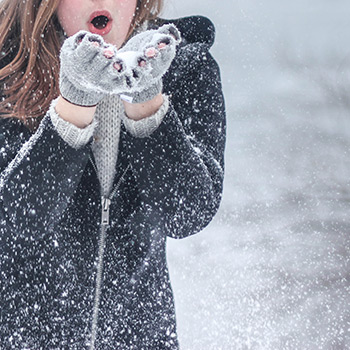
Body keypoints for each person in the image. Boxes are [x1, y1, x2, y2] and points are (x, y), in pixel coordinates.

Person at [0, 0, 226, 348]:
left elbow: (188, 213)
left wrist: (146, 102)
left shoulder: (184, 68)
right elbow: (16, 218)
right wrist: (74, 103)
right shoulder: (9, 69)